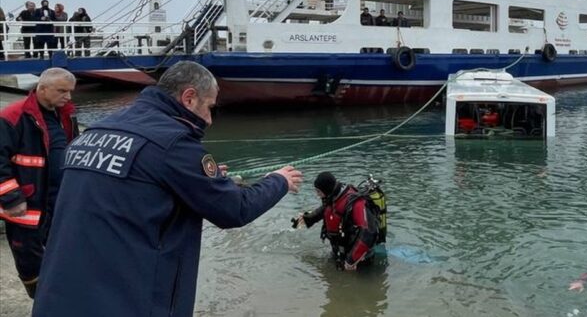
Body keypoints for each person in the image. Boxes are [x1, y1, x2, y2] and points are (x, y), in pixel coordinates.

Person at [31, 61, 303, 317]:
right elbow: (235, 209)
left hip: (58, 296)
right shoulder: (173, 144)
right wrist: (277, 180)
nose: (209, 119)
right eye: (209, 107)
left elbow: (138, 183)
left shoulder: (92, 134)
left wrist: (204, 179)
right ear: (189, 98)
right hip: (125, 303)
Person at [0, 68, 78, 298]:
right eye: (62, 91)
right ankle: (41, 300)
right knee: (29, 259)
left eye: (71, 92)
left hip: (58, 199)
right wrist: (11, 198)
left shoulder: (65, 115)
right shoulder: (13, 117)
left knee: (59, 252)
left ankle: (58, 298)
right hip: (27, 203)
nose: (68, 97)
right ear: (42, 89)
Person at [293, 172, 379, 271]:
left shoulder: (355, 203)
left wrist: (351, 261)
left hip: (360, 259)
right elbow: (327, 209)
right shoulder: (333, 196)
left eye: (318, 192)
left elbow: (368, 233)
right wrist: (307, 218)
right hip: (341, 252)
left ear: (327, 189)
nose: (317, 195)